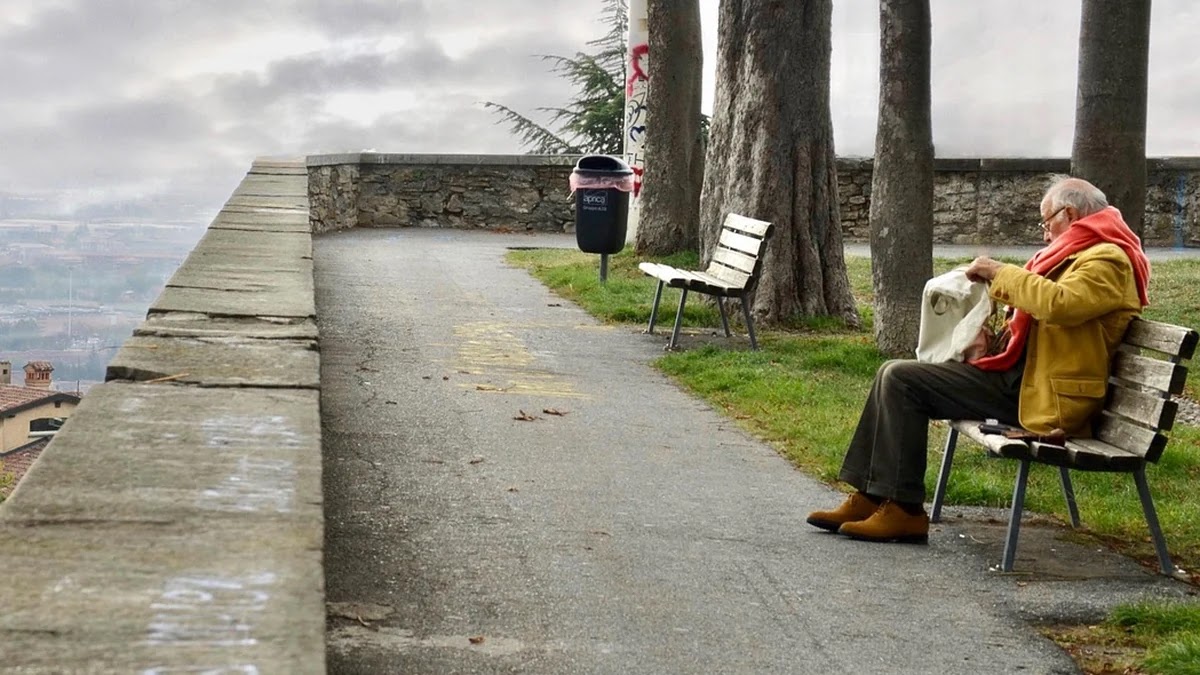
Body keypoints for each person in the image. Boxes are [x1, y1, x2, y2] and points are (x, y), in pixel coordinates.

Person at [806, 176, 1151, 544]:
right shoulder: (1082, 253)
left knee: (903, 380)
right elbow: (1047, 321)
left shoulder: (1109, 259)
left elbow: (1060, 304)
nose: (1045, 234)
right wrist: (997, 341)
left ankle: (905, 512)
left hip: (1044, 397)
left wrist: (1000, 272)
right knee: (892, 373)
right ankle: (871, 496)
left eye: (1046, 222)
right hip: (1024, 381)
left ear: (1069, 214)